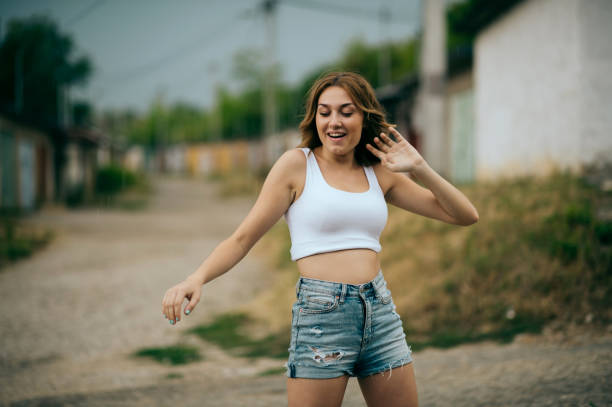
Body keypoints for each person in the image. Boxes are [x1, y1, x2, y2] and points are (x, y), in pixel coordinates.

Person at [161, 71, 479, 407]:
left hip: (380, 311)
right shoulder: (296, 166)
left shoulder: (380, 170)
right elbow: (242, 239)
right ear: (315, 119)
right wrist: (196, 278)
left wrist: (420, 168)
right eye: (324, 112)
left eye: (346, 111)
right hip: (322, 317)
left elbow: (463, 215)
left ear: (364, 116)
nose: (334, 122)